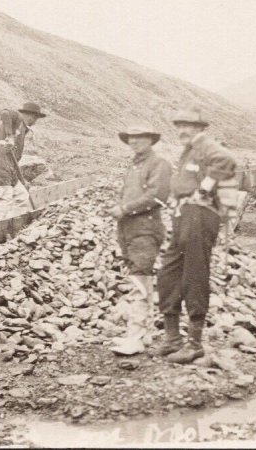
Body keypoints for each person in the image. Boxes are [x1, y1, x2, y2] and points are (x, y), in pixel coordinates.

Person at [153, 109, 237, 364]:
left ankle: (194, 343)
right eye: (179, 126)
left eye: (187, 126)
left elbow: (226, 160)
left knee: (195, 274)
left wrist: (205, 188)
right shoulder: (189, 149)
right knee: (168, 272)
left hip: (200, 214)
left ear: (200, 128)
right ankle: (172, 338)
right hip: (184, 214)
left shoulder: (206, 146)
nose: (182, 130)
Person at [106, 123, 172, 356]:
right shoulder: (133, 166)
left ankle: (135, 337)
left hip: (145, 229)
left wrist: (125, 208)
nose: (134, 142)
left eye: (140, 138)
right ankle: (142, 334)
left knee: (139, 282)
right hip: (127, 230)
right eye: (131, 139)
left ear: (151, 140)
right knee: (137, 279)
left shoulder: (159, 165)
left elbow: (157, 196)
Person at [0, 102, 45, 222]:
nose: (35, 122)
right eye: (36, 118)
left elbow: (15, 161)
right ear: (31, 116)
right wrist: (10, 136)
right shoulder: (18, 119)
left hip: (10, 167)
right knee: (5, 198)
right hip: (0, 164)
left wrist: (22, 180)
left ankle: (9, 225)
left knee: (22, 196)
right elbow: (5, 112)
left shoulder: (23, 130)